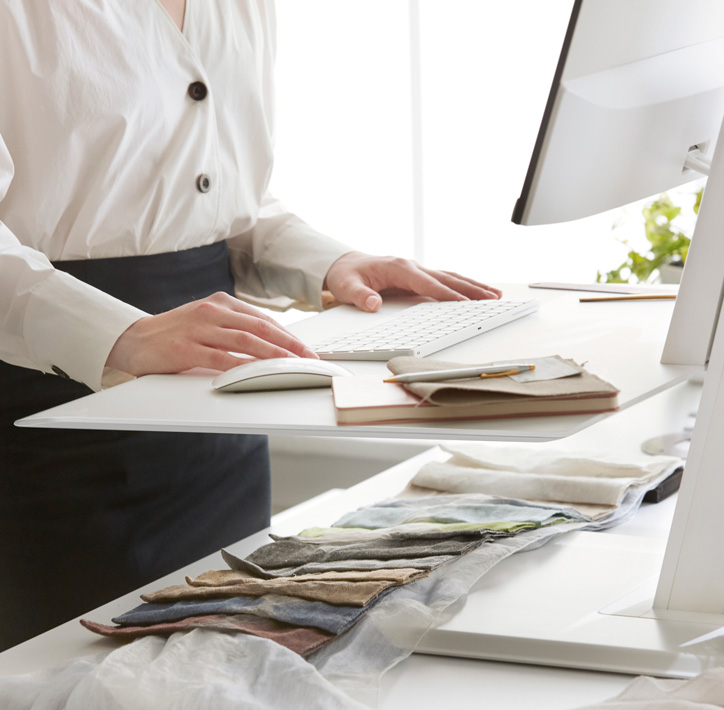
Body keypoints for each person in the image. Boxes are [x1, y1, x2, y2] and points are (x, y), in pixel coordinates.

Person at [0, 0, 499, 650]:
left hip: (215, 413)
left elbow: (223, 200)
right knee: (61, 699)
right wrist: (117, 333)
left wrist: (334, 263)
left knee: (220, 674)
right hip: (44, 414)